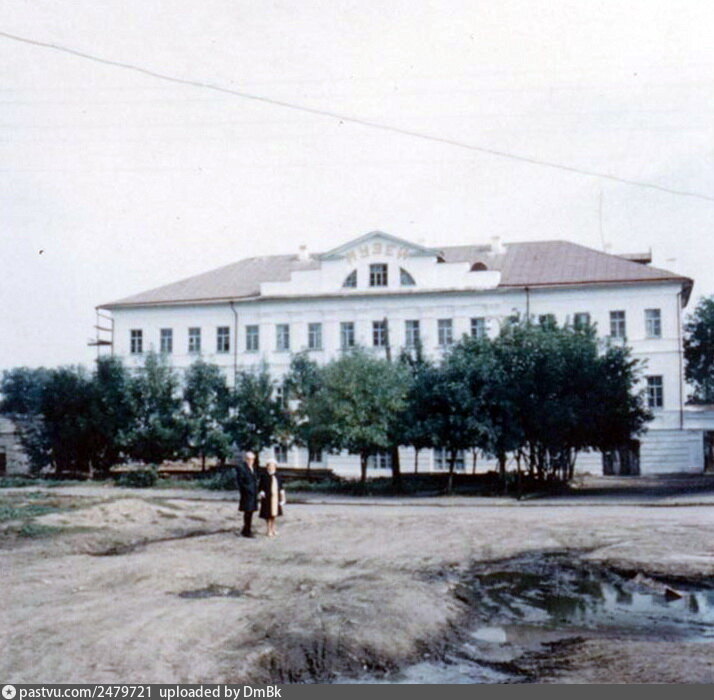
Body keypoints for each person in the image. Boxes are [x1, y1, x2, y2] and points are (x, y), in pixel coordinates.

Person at [258, 459, 286, 538]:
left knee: (274, 514)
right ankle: (268, 530)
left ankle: (273, 528)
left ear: (275, 467)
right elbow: (260, 487)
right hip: (267, 498)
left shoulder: (278, 475)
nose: (271, 467)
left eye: (273, 466)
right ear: (267, 466)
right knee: (268, 515)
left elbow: (281, 487)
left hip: (276, 498)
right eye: (269, 466)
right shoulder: (264, 476)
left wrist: (283, 498)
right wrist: (261, 492)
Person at [234, 449, 259, 537]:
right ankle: (247, 531)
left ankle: (246, 529)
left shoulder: (253, 468)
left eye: (252, 459)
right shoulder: (242, 468)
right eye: (249, 459)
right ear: (246, 459)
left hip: (253, 494)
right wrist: (246, 490)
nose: (251, 461)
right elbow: (240, 482)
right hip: (247, 494)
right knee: (247, 512)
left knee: (251, 512)